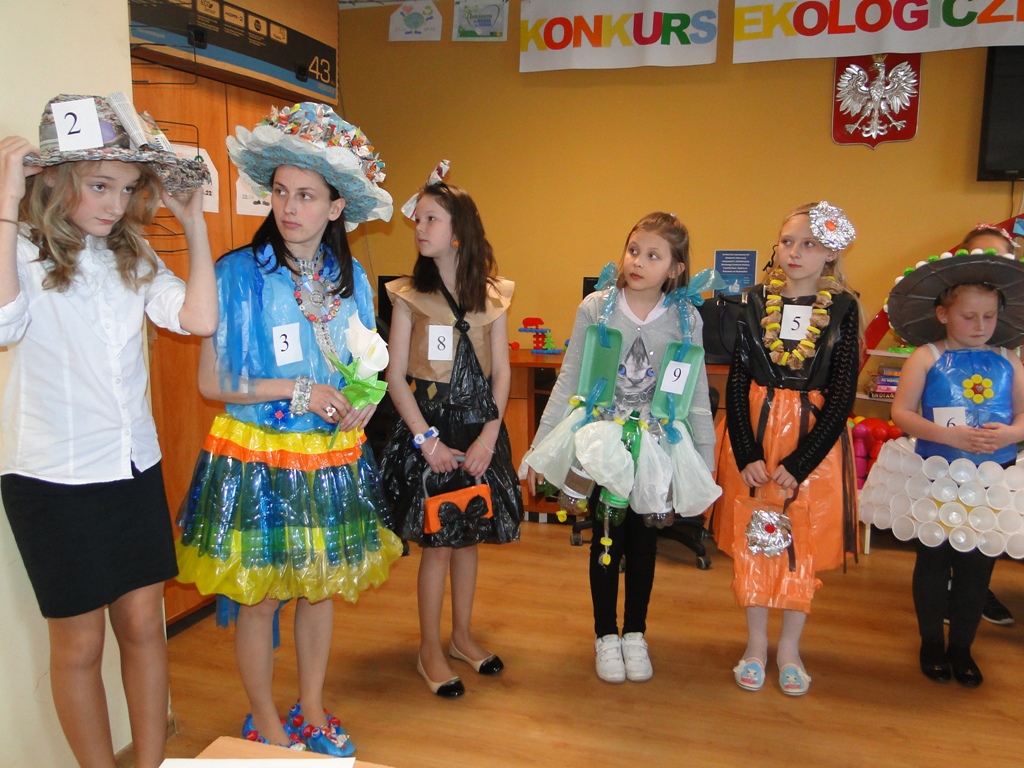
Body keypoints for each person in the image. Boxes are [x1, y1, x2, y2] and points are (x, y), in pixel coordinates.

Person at [174, 103, 403, 753]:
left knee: (319, 588)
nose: (289, 207)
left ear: (336, 207)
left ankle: (311, 706)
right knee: (263, 596)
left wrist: (365, 400)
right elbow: (212, 382)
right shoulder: (235, 274)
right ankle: (265, 720)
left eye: (305, 196)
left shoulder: (352, 278)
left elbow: (366, 363)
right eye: (280, 192)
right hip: (258, 458)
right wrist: (297, 389)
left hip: (328, 459)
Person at [0, 94, 215, 768]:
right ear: (55, 178)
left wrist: (194, 224)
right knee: (80, 645)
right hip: (52, 478)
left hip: (132, 468)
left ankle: (149, 764)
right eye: (99, 185)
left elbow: (199, 319)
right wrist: (5, 204)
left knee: (145, 627)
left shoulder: (131, 253)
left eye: (125, 188)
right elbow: (2, 326)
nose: (115, 204)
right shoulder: (22, 251)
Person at [525, 212, 719, 684]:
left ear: (675, 268)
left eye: (653, 255)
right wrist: (538, 447)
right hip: (603, 442)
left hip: (656, 445)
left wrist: (705, 463)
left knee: (645, 540)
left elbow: (695, 395)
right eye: (634, 250)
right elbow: (569, 378)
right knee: (606, 536)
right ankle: (605, 635)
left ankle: (635, 632)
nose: (638, 262)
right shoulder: (598, 307)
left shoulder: (686, 318)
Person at [710, 201, 860, 696]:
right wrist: (746, 450)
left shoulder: (843, 308)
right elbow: (737, 380)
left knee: (801, 545)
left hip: (811, 444)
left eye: (809, 243)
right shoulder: (754, 302)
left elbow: (842, 394)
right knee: (755, 539)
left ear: (830, 253)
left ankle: (790, 649)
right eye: (787, 241)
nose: (794, 252)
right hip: (756, 434)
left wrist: (800, 462)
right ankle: (755, 645)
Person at [379, 179, 522, 698]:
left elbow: (501, 373)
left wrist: (488, 437)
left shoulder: (493, 295)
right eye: (417, 219)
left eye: (430, 219)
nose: (419, 228)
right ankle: (429, 649)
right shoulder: (407, 295)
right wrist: (427, 442)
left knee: (468, 538)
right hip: (430, 430)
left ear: (458, 229)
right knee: (437, 545)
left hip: (478, 428)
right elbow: (395, 377)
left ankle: (461, 637)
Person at [887, 233, 1024, 688]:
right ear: (943, 314)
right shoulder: (926, 357)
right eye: (969, 316)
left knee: (977, 566)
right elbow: (902, 412)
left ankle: (962, 647)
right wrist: (948, 434)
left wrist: (1012, 433)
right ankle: (931, 642)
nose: (981, 325)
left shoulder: (1009, 360)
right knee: (933, 560)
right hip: (938, 474)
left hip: (992, 477)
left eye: (990, 316)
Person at [954, 226, 1019, 628]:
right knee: (949, 514)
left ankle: (978, 590)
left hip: (1003, 442)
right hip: (949, 443)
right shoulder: (953, 319)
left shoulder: (1009, 325)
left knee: (988, 519)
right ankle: (950, 587)